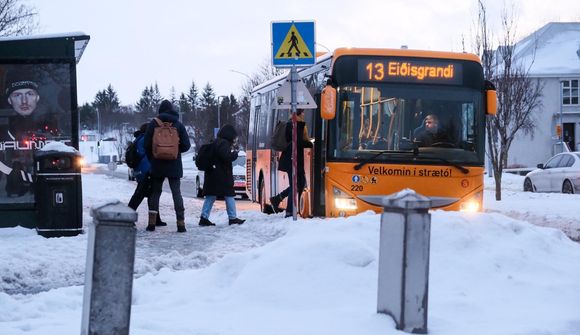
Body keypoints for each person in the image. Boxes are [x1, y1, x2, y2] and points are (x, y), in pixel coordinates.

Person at [143, 100, 191, 232]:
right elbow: (186, 145)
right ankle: (181, 224)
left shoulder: (153, 124)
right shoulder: (178, 124)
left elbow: (146, 145)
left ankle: (151, 224)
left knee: (155, 193)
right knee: (176, 193)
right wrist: (174, 150)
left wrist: (153, 158)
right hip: (174, 165)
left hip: (157, 164)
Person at [198, 124, 245, 226]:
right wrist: (235, 154)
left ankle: (204, 217)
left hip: (213, 175)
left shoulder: (216, 142)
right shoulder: (223, 143)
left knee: (210, 196)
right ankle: (232, 218)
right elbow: (226, 156)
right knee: (229, 195)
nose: (234, 139)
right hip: (222, 175)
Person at [269, 109, 313, 218]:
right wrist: (310, 144)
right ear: (299, 113)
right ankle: (289, 212)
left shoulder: (293, 123)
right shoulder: (295, 124)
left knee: (299, 183)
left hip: (292, 159)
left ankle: (278, 199)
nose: (304, 114)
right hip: (292, 160)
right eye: (303, 112)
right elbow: (297, 142)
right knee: (295, 185)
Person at [127, 123, 166, 227]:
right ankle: (127, 217)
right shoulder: (144, 139)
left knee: (151, 194)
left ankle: (156, 219)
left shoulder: (139, 138)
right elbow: (144, 153)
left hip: (142, 170)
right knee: (139, 195)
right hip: (146, 170)